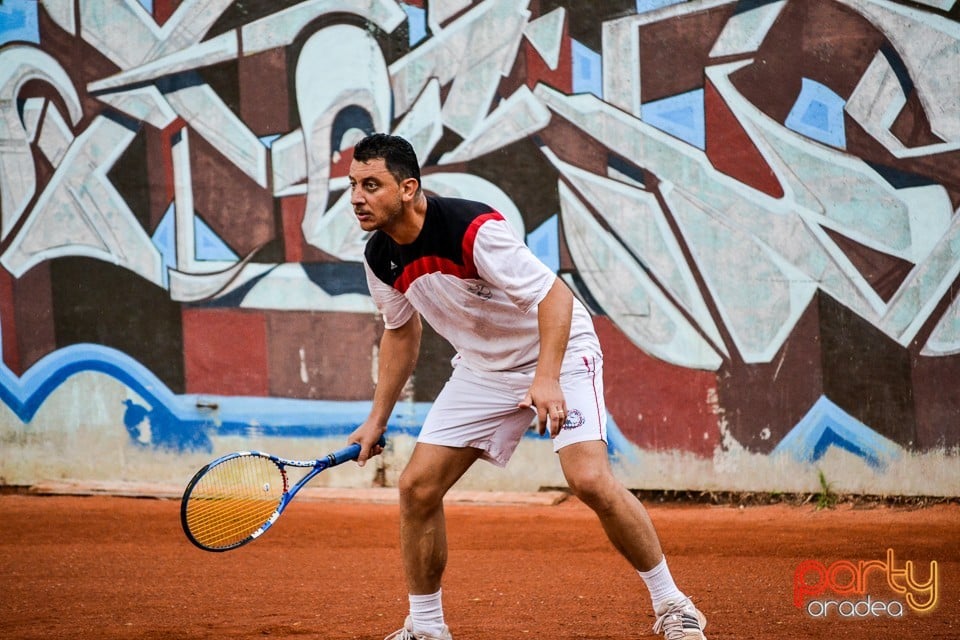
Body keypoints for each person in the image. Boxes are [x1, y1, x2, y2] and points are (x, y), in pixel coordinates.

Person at [346, 133, 708, 640]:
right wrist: (376, 420)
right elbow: (401, 333)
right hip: (482, 369)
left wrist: (546, 378)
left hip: (556, 349)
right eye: (353, 185)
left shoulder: (474, 229)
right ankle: (426, 629)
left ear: (408, 188)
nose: (357, 197)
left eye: (371, 185)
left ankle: (674, 604)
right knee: (417, 487)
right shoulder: (379, 257)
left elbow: (555, 297)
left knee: (588, 480)